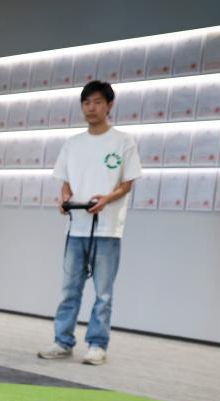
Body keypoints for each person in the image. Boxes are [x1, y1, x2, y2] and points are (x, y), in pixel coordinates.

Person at [38, 80, 141, 366]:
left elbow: (128, 183)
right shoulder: (73, 143)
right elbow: (66, 182)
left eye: (97, 102)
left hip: (107, 229)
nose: (91, 108)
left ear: (109, 105)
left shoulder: (123, 141)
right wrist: (65, 199)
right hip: (76, 228)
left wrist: (106, 199)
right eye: (86, 103)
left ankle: (97, 344)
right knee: (69, 290)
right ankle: (62, 341)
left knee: (103, 293)